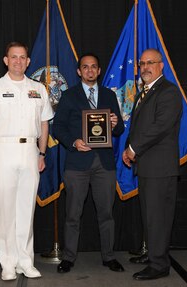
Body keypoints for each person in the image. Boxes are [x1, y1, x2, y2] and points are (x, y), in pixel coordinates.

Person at [0, 41, 53, 281]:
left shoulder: (39, 88)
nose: (18, 61)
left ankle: (26, 262)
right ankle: (7, 263)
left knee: (26, 209)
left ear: (28, 61)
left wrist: (42, 153)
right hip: (2, 150)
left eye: (22, 57)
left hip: (30, 150)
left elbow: (45, 123)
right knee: (5, 209)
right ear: (6, 60)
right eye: (13, 57)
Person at [53, 53, 125, 274]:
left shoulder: (109, 95)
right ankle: (68, 258)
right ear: (79, 71)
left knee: (106, 213)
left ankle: (109, 257)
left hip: (104, 163)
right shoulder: (68, 96)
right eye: (85, 67)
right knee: (73, 214)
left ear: (99, 70)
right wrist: (73, 142)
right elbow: (58, 129)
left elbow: (120, 129)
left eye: (94, 66)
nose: (90, 70)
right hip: (77, 164)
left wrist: (115, 123)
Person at [122, 48, 182, 280]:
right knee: (150, 215)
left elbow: (159, 127)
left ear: (161, 65)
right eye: (142, 63)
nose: (145, 67)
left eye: (150, 63)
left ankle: (159, 265)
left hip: (160, 168)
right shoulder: (143, 92)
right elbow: (138, 127)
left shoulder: (168, 92)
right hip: (147, 167)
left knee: (158, 217)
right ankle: (152, 253)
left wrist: (133, 149)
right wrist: (130, 149)